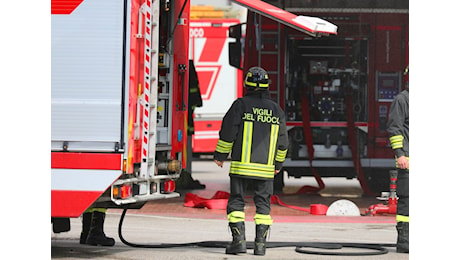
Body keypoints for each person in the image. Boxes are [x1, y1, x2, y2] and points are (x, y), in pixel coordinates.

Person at [214, 67, 288, 255]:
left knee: (237, 203)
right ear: (266, 86)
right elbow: (283, 142)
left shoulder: (240, 105)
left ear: (246, 84)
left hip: (241, 168)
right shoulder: (276, 110)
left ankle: (238, 242)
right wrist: (278, 165)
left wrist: (220, 156)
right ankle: (260, 246)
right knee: (263, 204)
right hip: (265, 170)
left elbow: (228, 132)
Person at [387, 66, 409, 253]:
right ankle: (405, 242)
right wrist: (400, 153)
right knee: (407, 203)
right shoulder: (402, 99)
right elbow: (395, 128)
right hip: (409, 161)